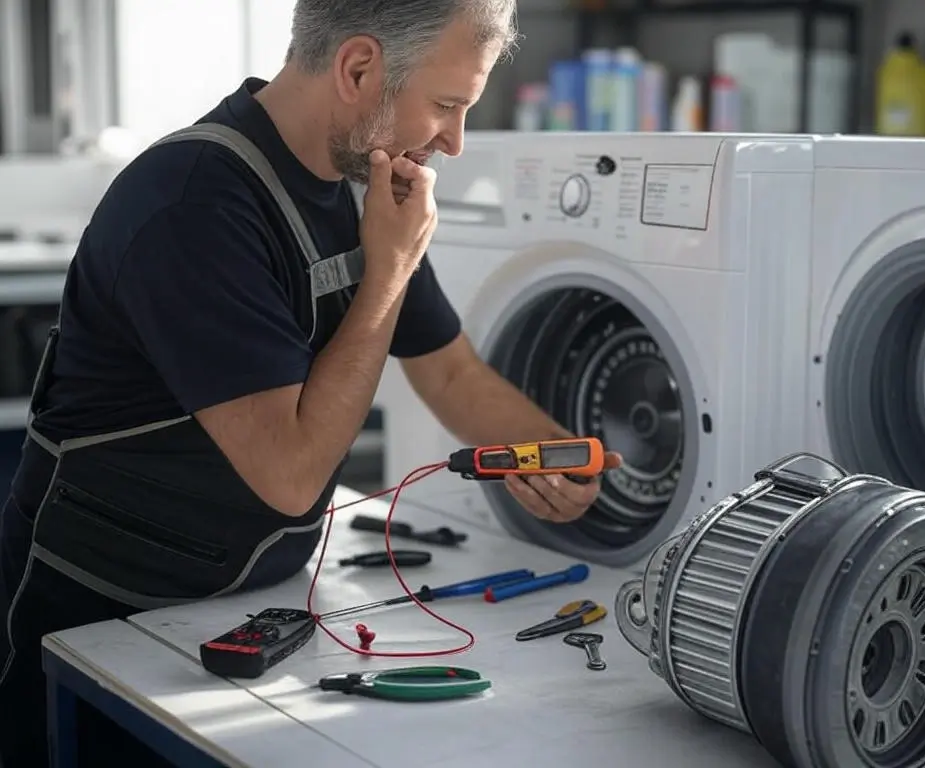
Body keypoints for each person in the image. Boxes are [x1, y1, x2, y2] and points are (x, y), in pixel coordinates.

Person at [0, 1, 622, 765]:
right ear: (357, 68)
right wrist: (387, 272)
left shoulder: (361, 179)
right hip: (101, 627)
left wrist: (558, 453)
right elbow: (290, 477)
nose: (454, 141)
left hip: (244, 609)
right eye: (446, 104)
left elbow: (451, 371)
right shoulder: (194, 202)